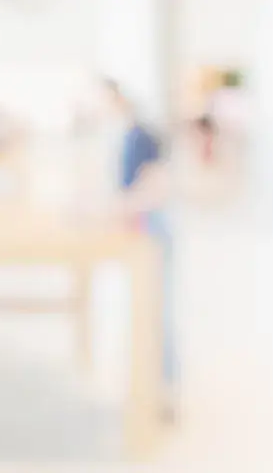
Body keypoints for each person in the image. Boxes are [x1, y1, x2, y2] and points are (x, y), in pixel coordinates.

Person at [104, 79, 180, 399]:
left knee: (157, 312)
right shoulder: (125, 136)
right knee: (145, 311)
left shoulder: (142, 136)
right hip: (140, 225)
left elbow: (155, 187)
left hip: (153, 227)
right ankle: (149, 385)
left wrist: (115, 210)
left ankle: (165, 389)